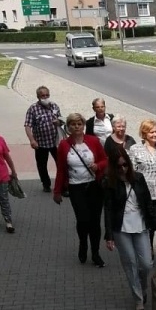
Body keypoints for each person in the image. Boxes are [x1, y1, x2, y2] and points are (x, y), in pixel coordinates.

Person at [103, 150, 156, 310]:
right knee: (130, 263)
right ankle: (138, 300)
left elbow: (148, 203)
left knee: (146, 264)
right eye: (118, 166)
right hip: (121, 228)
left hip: (140, 224)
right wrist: (109, 235)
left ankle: (142, 288)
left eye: (125, 165)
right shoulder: (109, 182)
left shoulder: (139, 178)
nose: (122, 169)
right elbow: (108, 209)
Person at [53, 112, 108, 266]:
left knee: (95, 221)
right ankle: (83, 244)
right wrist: (57, 191)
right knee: (83, 219)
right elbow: (61, 169)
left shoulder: (93, 141)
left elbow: (105, 160)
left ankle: (95, 253)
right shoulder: (64, 145)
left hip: (94, 186)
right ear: (68, 127)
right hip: (76, 187)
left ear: (83, 126)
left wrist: (98, 166)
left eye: (79, 124)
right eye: (73, 124)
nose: (76, 127)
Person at [130, 119, 156, 263]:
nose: (155, 134)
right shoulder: (135, 149)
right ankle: (148, 257)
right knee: (147, 229)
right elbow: (132, 173)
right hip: (144, 197)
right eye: (151, 132)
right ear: (144, 133)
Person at [23, 85, 62, 193]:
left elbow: (61, 120)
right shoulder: (33, 109)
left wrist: (59, 122)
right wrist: (32, 140)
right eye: (42, 96)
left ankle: (62, 185)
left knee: (61, 164)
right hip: (41, 143)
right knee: (42, 165)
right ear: (38, 97)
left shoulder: (54, 106)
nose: (45, 97)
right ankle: (46, 184)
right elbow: (27, 126)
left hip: (55, 142)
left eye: (47, 95)